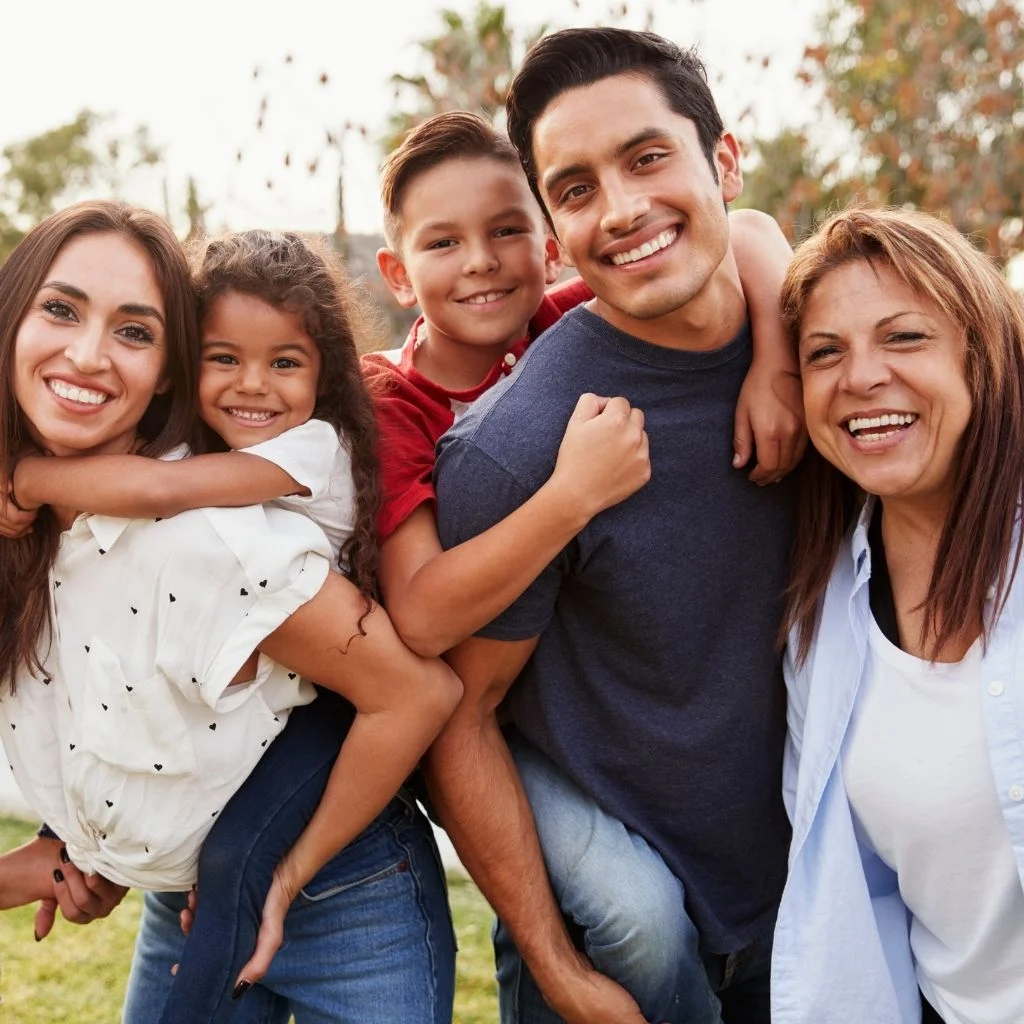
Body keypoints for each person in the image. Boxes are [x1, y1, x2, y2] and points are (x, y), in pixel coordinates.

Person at [0, 201, 462, 1024]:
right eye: (61, 308)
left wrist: (282, 879)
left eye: (135, 331)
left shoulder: (211, 541)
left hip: (345, 893)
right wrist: (76, 843)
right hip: (185, 888)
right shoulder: (39, 529)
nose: (87, 352)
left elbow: (417, 692)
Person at [427, 28, 800, 1024]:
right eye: (578, 188)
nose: (624, 209)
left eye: (646, 158)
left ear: (721, 161)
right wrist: (557, 963)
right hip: (619, 953)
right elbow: (460, 716)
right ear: (553, 229)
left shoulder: (825, 356)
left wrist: (782, 355)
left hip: (810, 910)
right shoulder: (523, 450)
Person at [365, 111, 801, 667]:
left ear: (552, 252)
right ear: (399, 276)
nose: (481, 261)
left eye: (506, 230)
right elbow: (422, 620)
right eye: (444, 243)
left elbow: (747, 228)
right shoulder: (389, 399)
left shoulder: (563, 324)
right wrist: (574, 495)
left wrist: (777, 365)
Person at [774, 207, 1024, 1024]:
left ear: (980, 358)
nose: (862, 378)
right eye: (825, 354)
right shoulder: (821, 631)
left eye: (905, 338)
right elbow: (860, 905)